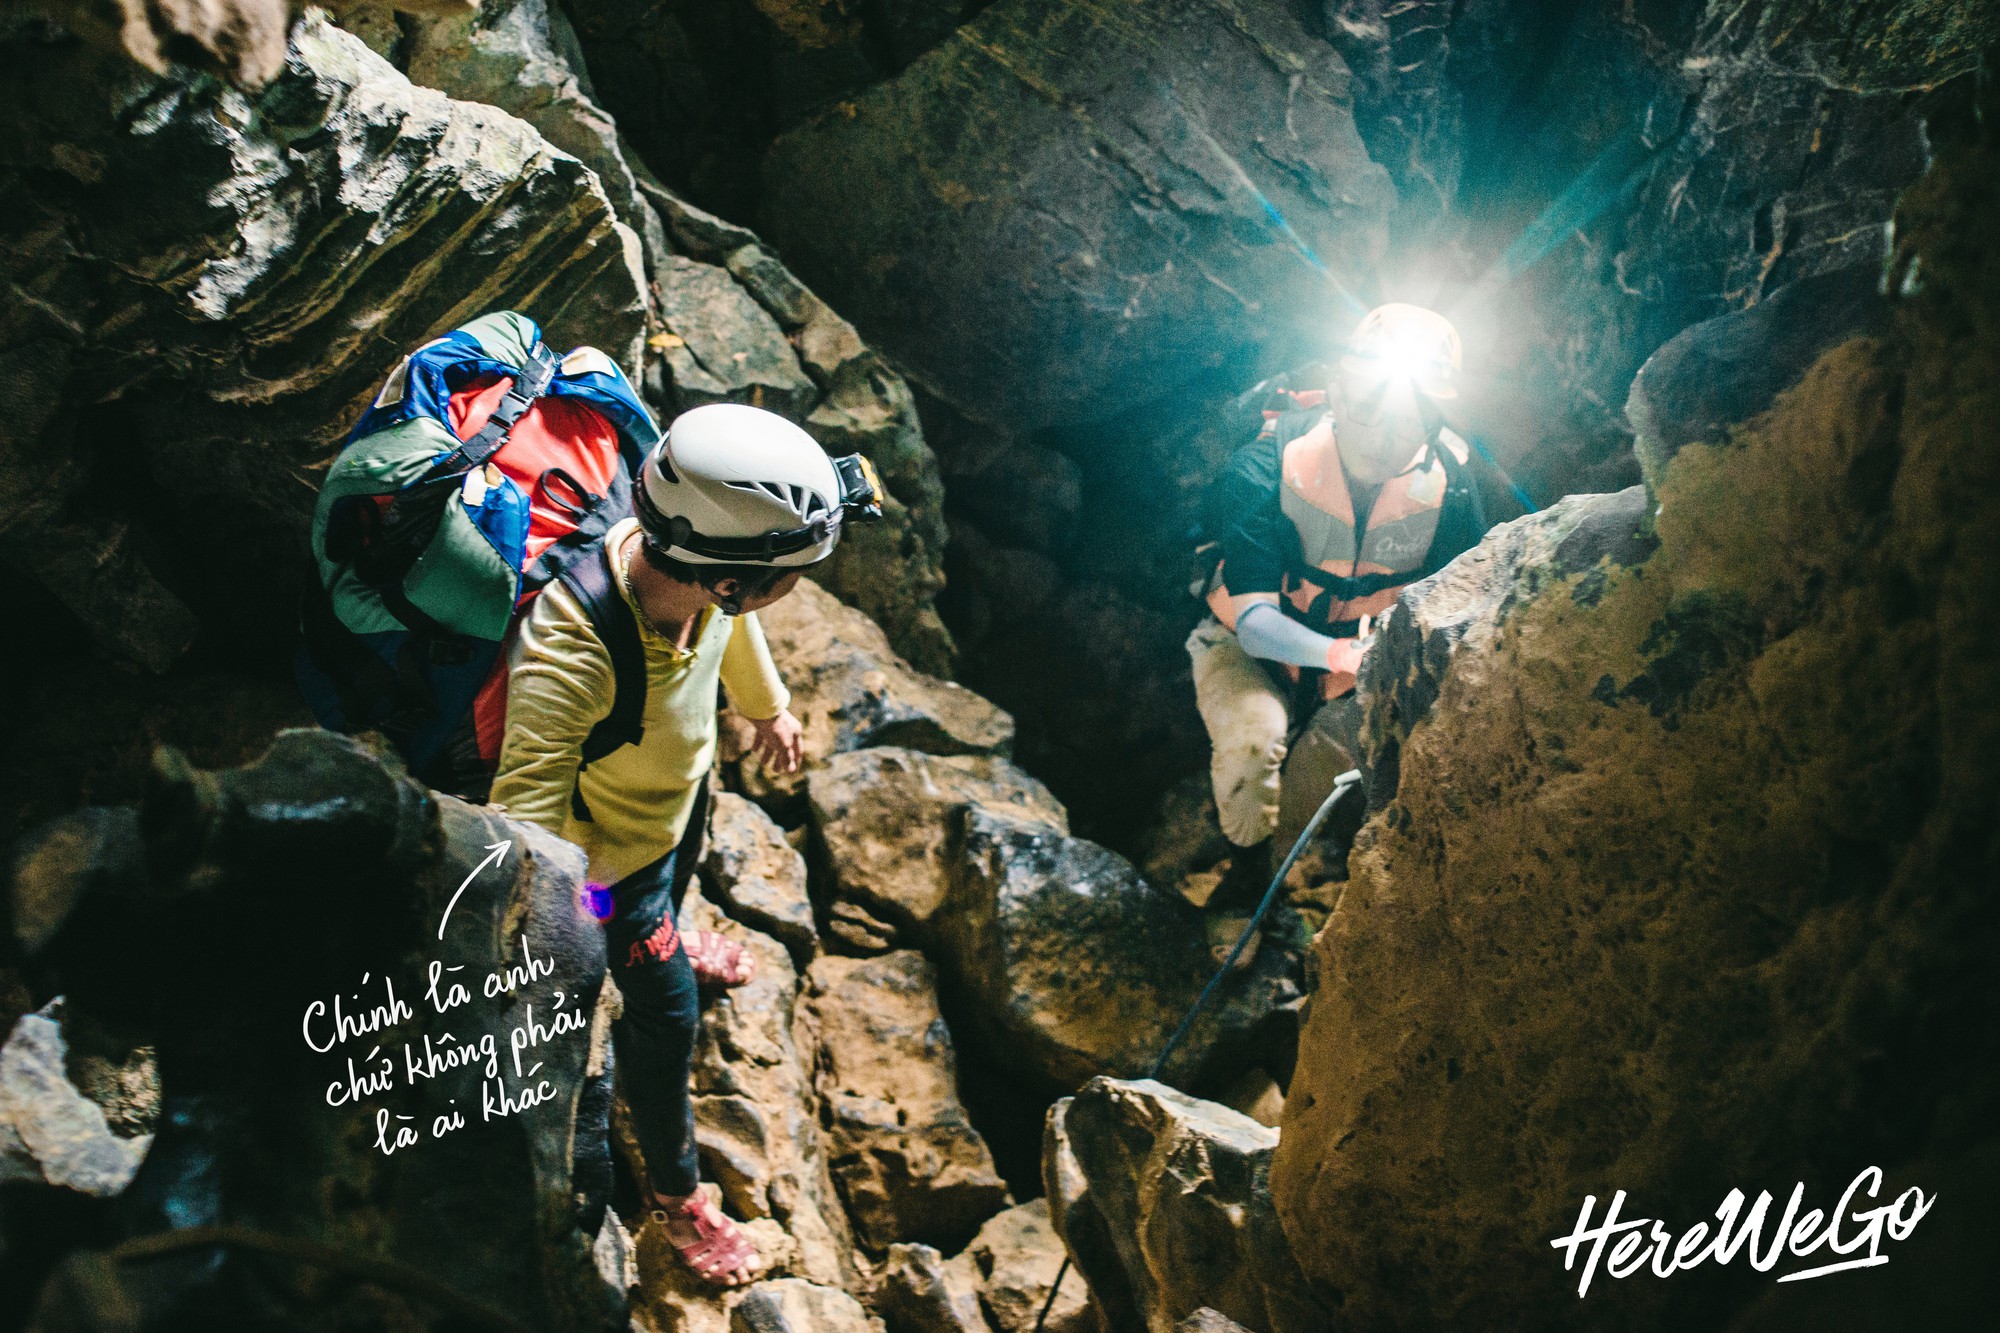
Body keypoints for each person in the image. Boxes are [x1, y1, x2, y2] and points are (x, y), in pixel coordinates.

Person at [490, 402, 881, 1286]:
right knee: (667, 1018)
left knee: (674, 872)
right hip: (606, 875)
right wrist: (589, 933)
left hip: (662, 816)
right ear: (733, 575)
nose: (802, 582)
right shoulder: (572, 651)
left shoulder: (687, 568)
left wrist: (766, 706)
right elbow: (523, 832)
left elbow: (732, 623)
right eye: (796, 569)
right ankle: (679, 1203)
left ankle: (663, 925)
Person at [1189, 304, 1490, 894]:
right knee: (1253, 744)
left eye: (1407, 417)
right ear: (1335, 391)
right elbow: (1253, 623)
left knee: (1317, 781)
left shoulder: (1450, 491)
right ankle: (1244, 881)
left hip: (1354, 679)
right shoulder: (1265, 464)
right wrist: (1340, 656)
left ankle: (1289, 874)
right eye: (1367, 404)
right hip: (1250, 651)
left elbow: (1464, 605)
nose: (1382, 434)